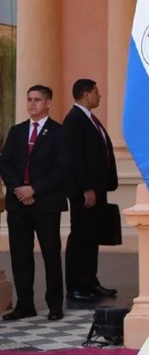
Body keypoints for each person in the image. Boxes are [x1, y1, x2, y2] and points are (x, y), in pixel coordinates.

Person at [0, 85, 68, 321]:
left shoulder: (59, 133)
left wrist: (34, 189)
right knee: (20, 255)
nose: (32, 104)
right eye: (29, 99)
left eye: (37, 100)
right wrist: (20, 189)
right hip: (18, 204)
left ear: (48, 103)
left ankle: (55, 305)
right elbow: (5, 163)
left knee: (50, 253)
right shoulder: (17, 131)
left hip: (46, 203)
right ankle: (25, 304)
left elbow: (62, 170)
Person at [63, 79, 118, 303]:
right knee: (80, 237)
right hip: (84, 192)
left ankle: (90, 281)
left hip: (98, 189)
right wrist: (86, 188)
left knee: (92, 236)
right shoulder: (74, 120)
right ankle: (76, 285)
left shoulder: (89, 119)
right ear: (86, 93)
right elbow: (75, 159)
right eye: (96, 91)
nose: (100, 95)